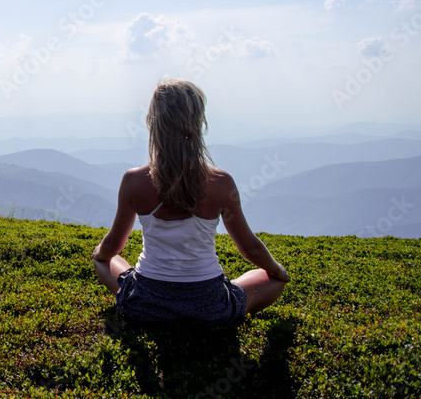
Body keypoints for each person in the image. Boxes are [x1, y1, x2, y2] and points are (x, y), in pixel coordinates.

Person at [91, 78, 289, 326]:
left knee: (104, 260)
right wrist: (277, 270)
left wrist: (99, 254)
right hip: (209, 307)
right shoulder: (221, 182)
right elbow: (251, 248)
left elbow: (113, 245)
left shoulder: (133, 181)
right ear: (197, 122)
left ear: (153, 123)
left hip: (145, 305)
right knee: (271, 278)